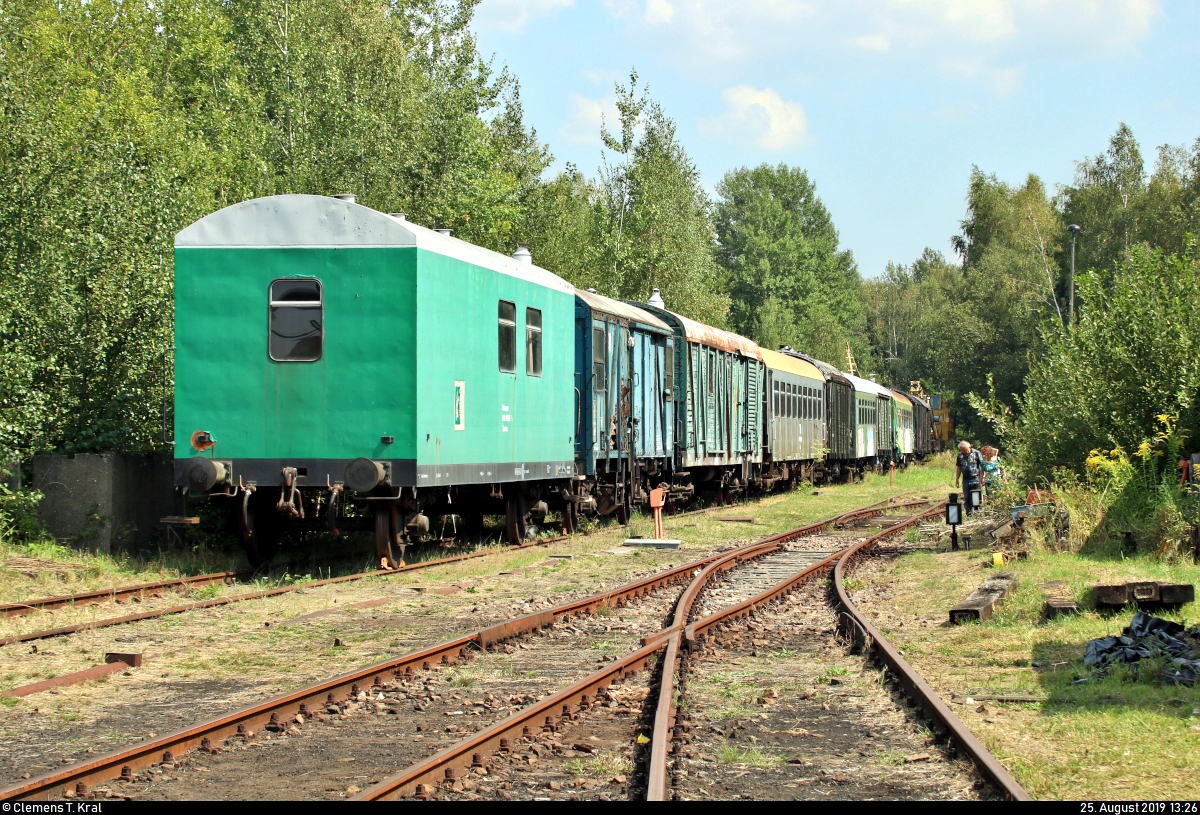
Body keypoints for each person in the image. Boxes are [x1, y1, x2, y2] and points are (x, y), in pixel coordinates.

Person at [955, 441, 984, 515]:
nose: (964, 452)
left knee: (976, 496)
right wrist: (957, 479)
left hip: (976, 478)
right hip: (966, 479)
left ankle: (978, 513)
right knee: (967, 497)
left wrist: (982, 477)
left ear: (970, 447)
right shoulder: (960, 455)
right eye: (962, 450)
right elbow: (959, 467)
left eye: (965, 450)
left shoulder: (976, 453)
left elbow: (982, 466)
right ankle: (969, 513)